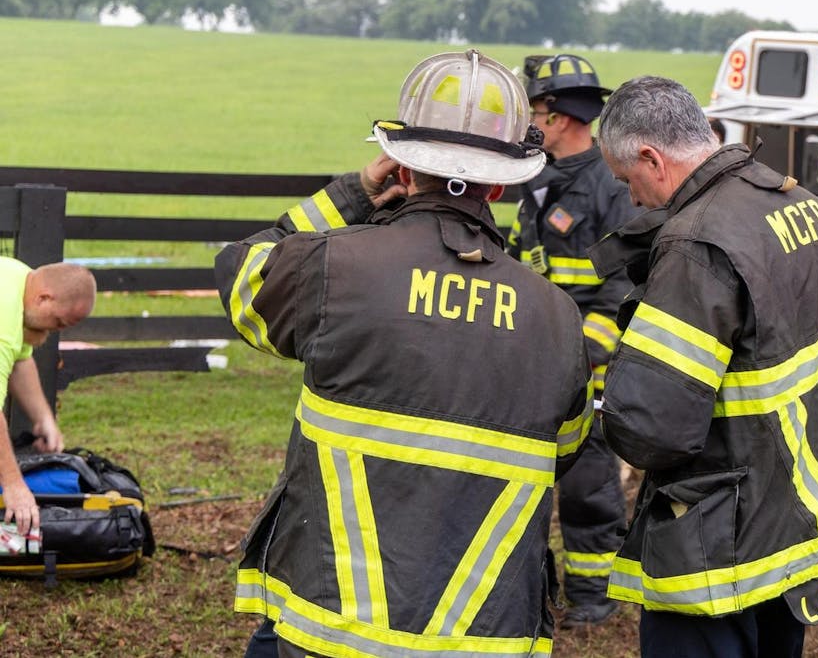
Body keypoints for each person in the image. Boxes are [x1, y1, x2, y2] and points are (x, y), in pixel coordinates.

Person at [218, 49, 593, 657]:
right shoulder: (556, 316)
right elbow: (568, 447)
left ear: (401, 166)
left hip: (331, 626)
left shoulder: (337, 266)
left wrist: (354, 194)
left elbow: (242, 276)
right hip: (484, 635)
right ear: (500, 184)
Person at [590, 76, 818, 658]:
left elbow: (653, 428)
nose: (633, 200)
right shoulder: (816, 210)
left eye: (628, 181)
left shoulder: (696, 244)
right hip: (797, 521)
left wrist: (603, 406)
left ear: (652, 157)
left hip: (722, 533)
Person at [507, 53, 635, 627]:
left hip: (590, 365)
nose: (530, 123)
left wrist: (585, 353)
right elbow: (511, 261)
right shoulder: (531, 180)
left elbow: (624, 285)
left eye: (535, 111)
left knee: (587, 484)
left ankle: (592, 593)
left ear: (559, 117)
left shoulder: (611, 184)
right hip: (530, 357)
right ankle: (531, 584)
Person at [0, 260, 95, 535]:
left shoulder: (19, 277)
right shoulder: (5, 321)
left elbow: (21, 360)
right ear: (44, 298)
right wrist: (14, 486)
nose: (53, 331)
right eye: (56, 322)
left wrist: (44, 419)